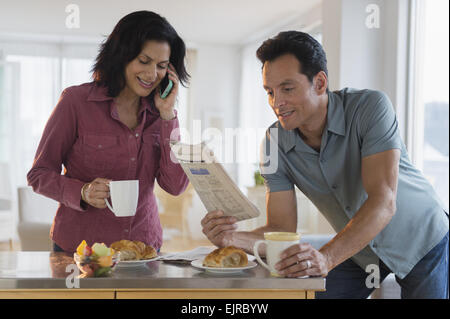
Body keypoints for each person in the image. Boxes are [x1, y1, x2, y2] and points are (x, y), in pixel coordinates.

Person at [201, 31, 449, 299]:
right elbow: (281, 229)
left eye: (287, 88)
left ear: (319, 83)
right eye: (269, 92)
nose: (276, 103)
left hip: (422, 237)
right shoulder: (274, 142)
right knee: (309, 295)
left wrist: (327, 258)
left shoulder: (370, 107)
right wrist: (231, 238)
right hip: (360, 250)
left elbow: (383, 201)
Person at [27, 11, 190, 253]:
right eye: (144, 61)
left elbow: (175, 185)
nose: (151, 74)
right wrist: (82, 191)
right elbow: (39, 174)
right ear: (121, 56)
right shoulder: (76, 102)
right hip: (80, 250)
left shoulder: (161, 115)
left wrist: (168, 116)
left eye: (161, 66)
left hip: (141, 249)